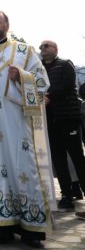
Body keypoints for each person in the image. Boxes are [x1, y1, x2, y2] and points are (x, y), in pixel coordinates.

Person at [0, 11, 54, 248]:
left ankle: (31, 229)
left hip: (17, 121)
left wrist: (21, 76)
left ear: (7, 25)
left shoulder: (24, 51)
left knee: (23, 166)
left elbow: (42, 82)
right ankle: (1, 226)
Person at [39, 39, 85, 210]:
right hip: (50, 121)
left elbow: (66, 87)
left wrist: (48, 97)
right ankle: (66, 195)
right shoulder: (38, 69)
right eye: (41, 47)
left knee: (77, 157)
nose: (42, 49)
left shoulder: (66, 65)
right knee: (58, 160)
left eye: (46, 46)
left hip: (68, 118)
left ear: (55, 49)